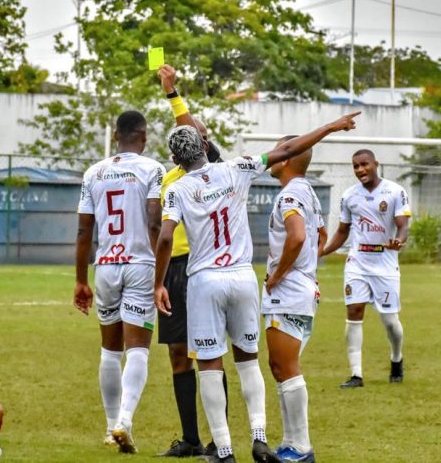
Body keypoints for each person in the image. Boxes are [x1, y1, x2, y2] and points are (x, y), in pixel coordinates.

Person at [154, 112, 359, 463]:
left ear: (175, 160)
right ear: (205, 145)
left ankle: (225, 450)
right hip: (243, 277)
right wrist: (328, 127)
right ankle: (260, 438)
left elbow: (165, 236)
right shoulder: (238, 167)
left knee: (209, 365)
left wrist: (159, 282)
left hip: (204, 280)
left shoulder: (175, 189)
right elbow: (288, 150)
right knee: (248, 361)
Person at [74, 110, 166, 454]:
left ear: (116, 136)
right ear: (143, 137)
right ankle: (124, 421)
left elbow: (84, 230)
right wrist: (161, 274)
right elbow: (155, 222)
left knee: (109, 351)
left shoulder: (93, 173)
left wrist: (81, 280)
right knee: (138, 349)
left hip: (106, 267)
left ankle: (110, 425)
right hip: (141, 265)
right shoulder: (152, 169)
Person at [154, 65, 226, 458]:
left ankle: (220, 441)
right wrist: (159, 278)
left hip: (203, 268)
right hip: (174, 271)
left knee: (209, 353)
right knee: (177, 353)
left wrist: (172, 93)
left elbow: (191, 126)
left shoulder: (213, 169)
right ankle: (191, 439)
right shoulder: (168, 179)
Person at [321, 149, 411, 389]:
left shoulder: (395, 192)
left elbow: (403, 226)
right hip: (357, 263)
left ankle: (396, 358)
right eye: (355, 166)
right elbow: (342, 232)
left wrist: (399, 241)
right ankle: (356, 374)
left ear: (375, 164)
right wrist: (322, 252)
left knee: (390, 321)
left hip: (385, 264)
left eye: (364, 165)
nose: (360, 170)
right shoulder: (349, 196)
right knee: (354, 312)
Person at [263, 136, 327, 463]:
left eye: (278, 151)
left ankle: (301, 447)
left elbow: (299, 236)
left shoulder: (290, 193)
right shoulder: (309, 192)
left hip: (288, 292)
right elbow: (322, 236)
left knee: (285, 366)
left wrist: (278, 275)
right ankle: (290, 443)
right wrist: (307, 270)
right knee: (280, 366)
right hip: (304, 289)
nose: (272, 156)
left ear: (286, 160)